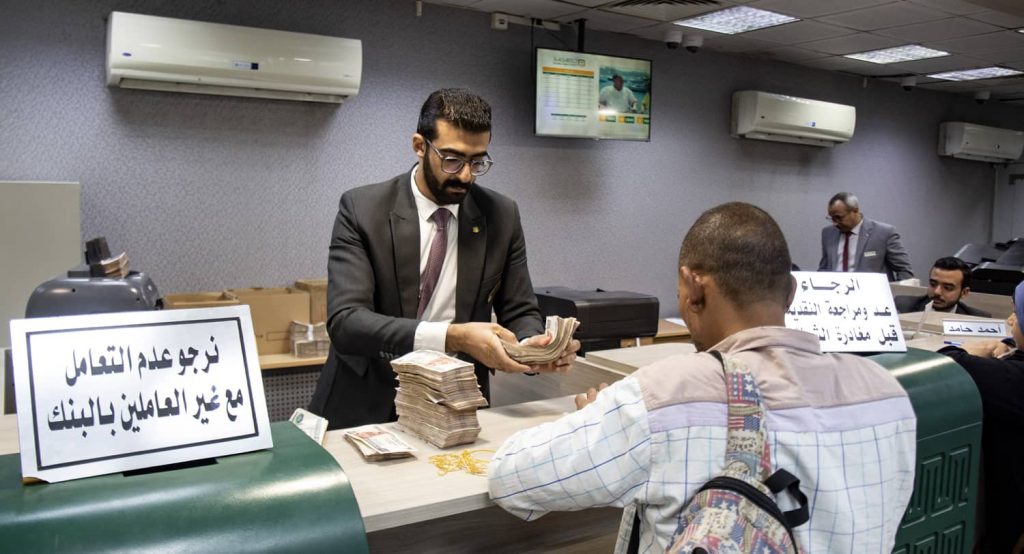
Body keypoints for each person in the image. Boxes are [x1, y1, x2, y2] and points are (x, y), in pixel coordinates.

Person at [489, 202, 917, 553]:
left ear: (693, 287)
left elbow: (512, 478)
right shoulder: (889, 395)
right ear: (791, 292)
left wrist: (593, 422)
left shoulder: (665, 395)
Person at [309, 88, 579, 430]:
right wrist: (454, 336)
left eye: (478, 161)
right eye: (452, 159)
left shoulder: (501, 214)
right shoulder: (363, 210)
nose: (466, 175)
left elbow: (519, 309)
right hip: (366, 401)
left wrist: (534, 348)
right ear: (420, 146)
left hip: (454, 400)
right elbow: (347, 323)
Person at [939, 281, 1024, 553]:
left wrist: (977, 351)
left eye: (1017, 315)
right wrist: (1010, 344)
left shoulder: (1014, 380)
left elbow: (948, 364)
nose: (1010, 320)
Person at [818, 192, 914, 282]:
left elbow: (904, 270)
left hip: (873, 297)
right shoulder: (828, 233)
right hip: (836, 295)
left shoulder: (884, 233)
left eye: (838, 217)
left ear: (855, 211)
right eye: (832, 218)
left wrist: (895, 297)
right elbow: (824, 269)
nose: (835, 223)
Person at [894, 256, 990, 316]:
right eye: (933, 284)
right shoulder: (903, 307)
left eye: (947, 288)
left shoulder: (977, 318)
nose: (937, 292)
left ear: (964, 293)